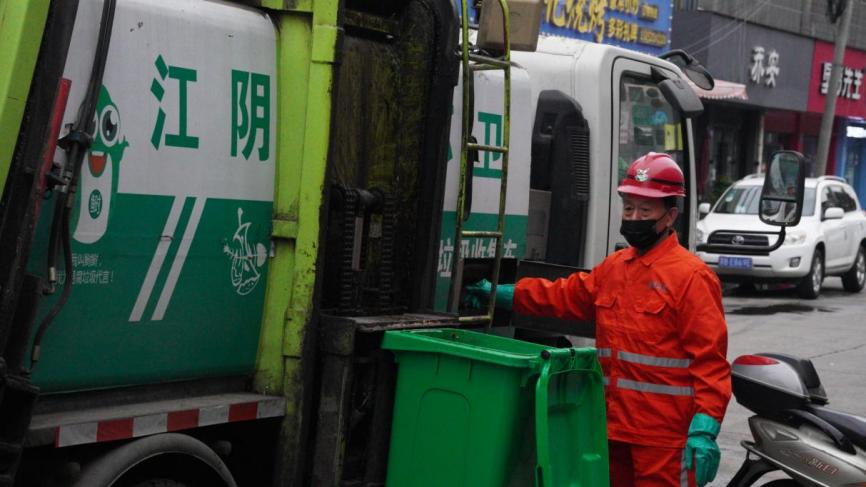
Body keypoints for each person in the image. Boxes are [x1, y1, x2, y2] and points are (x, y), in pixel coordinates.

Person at [467, 152, 731, 487]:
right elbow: (562, 296)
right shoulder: (616, 268)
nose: (634, 218)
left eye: (645, 211)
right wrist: (504, 294)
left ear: (670, 216)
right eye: (628, 208)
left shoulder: (692, 278)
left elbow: (710, 363)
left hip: (665, 440)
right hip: (611, 430)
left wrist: (705, 428)